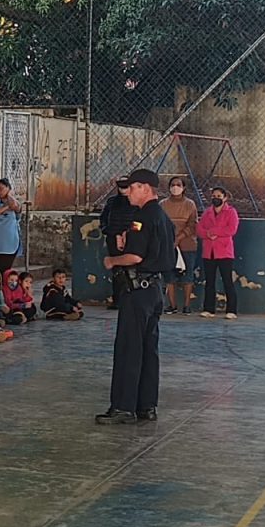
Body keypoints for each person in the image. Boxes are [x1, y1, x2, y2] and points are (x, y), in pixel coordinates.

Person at [96, 168, 174, 425]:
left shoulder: (142, 217)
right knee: (148, 350)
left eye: (132, 187)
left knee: (129, 348)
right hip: (155, 289)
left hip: (138, 290)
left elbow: (136, 256)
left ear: (145, 188)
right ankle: (146, 405)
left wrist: (112, 260)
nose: (127, 192)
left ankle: (123, 407)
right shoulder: (163, 216)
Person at [197, 186, 239, 319]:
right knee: (209, 281)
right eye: (214, 196)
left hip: (224, 252)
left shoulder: (231, 212)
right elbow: (199, 229)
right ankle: (209, 309)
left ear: (225, 198)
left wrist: (215, 232)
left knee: (227, 281)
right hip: (209, 252)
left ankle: (231, 310)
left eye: (219, 196)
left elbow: (231, 229)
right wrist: (208, 234)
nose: (216, 198)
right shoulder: (207, 213)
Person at [162, 176, 198, 315]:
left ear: (184, 188)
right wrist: (170, 240)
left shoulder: (190, 204)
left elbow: (192, 224)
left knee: (187, 276)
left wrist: (179, 238)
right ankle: (172, 305)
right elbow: (160, 224)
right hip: (168, 245)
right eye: (172, 184)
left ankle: (187, 306)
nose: (175, 187)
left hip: (187, 245)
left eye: (178, 184)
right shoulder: (163, 204)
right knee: (169, 276)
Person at [100, 176, 137, 310]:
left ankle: (132, 299)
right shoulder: (112, 202)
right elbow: (104, 219)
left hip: (132, 240)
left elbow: (139, 222)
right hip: (113, 239)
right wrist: (111, 232)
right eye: (121, 186)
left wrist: (128, 234)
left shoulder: (136, 202)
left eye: (126, 186)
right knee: (117, 270)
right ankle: (118, 300)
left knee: (131, 269)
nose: (124, 189)